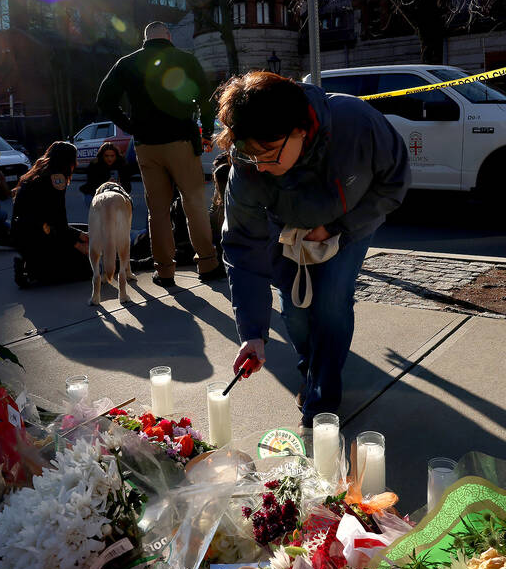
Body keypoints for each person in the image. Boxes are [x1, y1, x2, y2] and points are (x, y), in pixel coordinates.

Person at [219, 71, 411, 427]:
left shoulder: (356, 123)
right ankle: (311, 368)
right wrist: (252, 335)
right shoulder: (249, 165)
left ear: (300, 130)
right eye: (249, 155)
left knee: (331, 304)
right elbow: (243, 248)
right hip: (287, 232)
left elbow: (395, 182)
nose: (260, 166)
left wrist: (337, 228)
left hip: (350, 226)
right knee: (295, 312)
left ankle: (323, 396)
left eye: (268, 154)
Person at [96, 21, 223, 288]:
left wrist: (132, 127)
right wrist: (207, 132)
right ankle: (208, 264)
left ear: (145, 38)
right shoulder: (184, 59)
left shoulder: (126, 63)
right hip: (181, 142)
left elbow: (104, 100)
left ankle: (164, 271)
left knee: (158, 210)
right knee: (194, 205)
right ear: (168, 36)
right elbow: (205, 100)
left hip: (146, 145)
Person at [11, 141, 92, 287]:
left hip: (25, 233)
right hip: (39, 236)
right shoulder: (57, 178)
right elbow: (59, 223)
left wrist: (79, 234)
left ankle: (31, 264)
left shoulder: (36, 175)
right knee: (87, 269)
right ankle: (34, 272)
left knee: (83, 230)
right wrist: (78, 245)